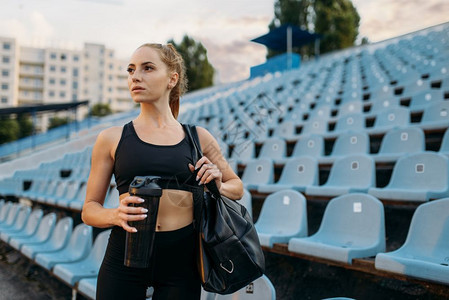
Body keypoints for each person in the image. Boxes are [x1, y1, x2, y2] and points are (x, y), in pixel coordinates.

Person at [81, 43, 244, 300]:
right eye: (131, 69)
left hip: (182, 261)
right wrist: (114, 215)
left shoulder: (198, 137)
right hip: (125, 255)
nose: (135, 76)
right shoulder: (111, 138)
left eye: (147, 68)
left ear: (172, 78)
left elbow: (237, 188)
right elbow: (89, 209)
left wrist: (217, 185)